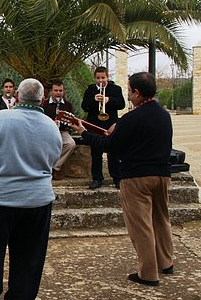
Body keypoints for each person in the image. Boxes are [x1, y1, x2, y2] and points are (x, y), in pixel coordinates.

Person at [71, 72, 173, 286]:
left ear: (137, 92)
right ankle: (166, 262)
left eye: (129, 90)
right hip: (162, 175)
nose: (128, 94)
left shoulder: (131, 118)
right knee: (161, 219)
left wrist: (84, 132)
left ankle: (148, 273)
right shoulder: (164, 115)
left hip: (137, 177)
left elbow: (111, 148)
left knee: (141, 226)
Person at [0, 78, 61, 300]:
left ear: (18, 97)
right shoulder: (51, 126)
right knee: (29, 252)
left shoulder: (2, 118)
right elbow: (54, 158)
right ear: (42, 99)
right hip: (36, 200)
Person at [81, 66, 125, 189]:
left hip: (111, 124)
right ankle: (97, 178)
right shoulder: (90, 90)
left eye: (103, 78)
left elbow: (121, 104)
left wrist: (108, 100)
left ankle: (117, 178)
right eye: (98, 78)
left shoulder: (115, 89)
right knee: (96, 153)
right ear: (94, 78)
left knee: (113, 152)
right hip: (95, 124)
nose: (101, 80)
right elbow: (84, 106)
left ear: (107, 77)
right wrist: (94, 100)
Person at [41, 80, 77, 180]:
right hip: (47, 132)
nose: (58, 93)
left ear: (63, 91)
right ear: (51, 91)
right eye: (56, 90)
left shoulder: (67, 105)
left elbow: (72, 122)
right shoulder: (45, 104)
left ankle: (54, 167)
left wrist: (67, 124)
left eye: (60, 90)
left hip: (62, 131)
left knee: (71, 144)